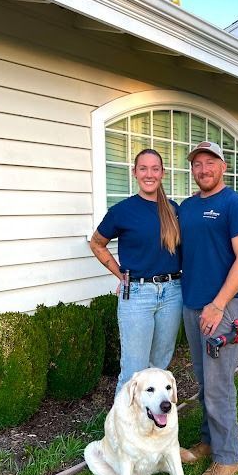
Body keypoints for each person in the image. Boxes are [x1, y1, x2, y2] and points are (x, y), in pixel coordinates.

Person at [178, 141, 238, 475]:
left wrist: (218, 304)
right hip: (192, 305)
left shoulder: (236, 206)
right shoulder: (187, 207)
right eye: (197, 163)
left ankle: (228, 458)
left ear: (223, 167)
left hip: (222, 310)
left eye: (210, 162)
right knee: (204, 381)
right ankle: (208, 442)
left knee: (220, 386)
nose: (203, 168)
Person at [90, 149, 182, 395]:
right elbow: (96, 243)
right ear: (134, 173)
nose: (149, 174)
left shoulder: (173, 210)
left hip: (172, 293)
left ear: (162, 173)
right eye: (143, 168)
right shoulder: (123, 210)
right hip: (137, 295)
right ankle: (121, 432)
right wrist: (120, 274)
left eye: (155, 168)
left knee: (159, 369)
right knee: (134, 372)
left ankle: (152, 426)